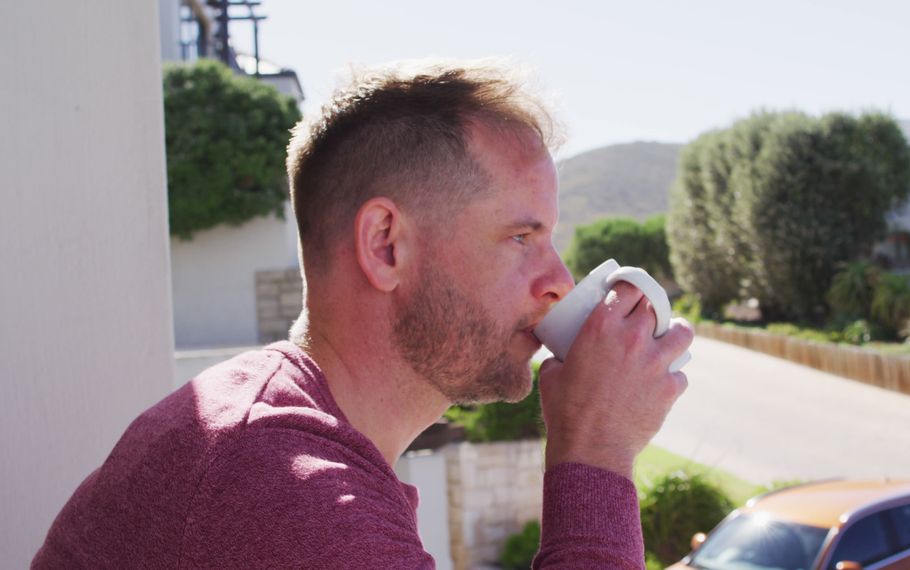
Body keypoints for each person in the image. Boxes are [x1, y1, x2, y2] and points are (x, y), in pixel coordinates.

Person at [33, 59, 693, 568]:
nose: (559, 282)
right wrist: (597, 445)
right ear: (385, 245)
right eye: (522, 239)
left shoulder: (265, 424)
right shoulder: (287, 490)